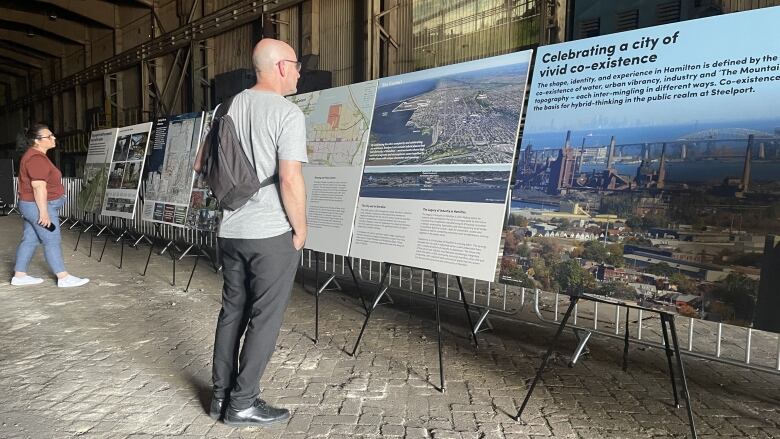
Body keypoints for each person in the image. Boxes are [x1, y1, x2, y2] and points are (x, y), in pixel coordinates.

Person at [206, 39, 307, 427]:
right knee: (265, 317)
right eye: (296, 65)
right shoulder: (287, 114)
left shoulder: (225, 108)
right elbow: (289, 178)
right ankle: (243, 402)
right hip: (270, 234)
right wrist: (300, 229)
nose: (299, 72)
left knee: (232, 311)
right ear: (281, 66)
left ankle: (220, 397)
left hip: (230, 229)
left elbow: (203, 162)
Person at [12, 124, 89, 288]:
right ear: (37, 141)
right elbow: (38, 187)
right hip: (38, 206)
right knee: (51, 239)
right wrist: (44, 213)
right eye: (49, 136)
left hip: (31, 205)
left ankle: (19, 275)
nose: (53, 138)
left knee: (30, 240)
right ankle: (63, 277)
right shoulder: (35, 158)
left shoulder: (37, 155)